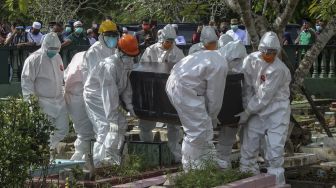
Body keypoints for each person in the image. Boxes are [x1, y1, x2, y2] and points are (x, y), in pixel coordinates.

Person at [166, 26, 228, 171]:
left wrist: (209, 116)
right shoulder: (220, 63)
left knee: (203, 127)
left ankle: (207, 161)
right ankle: (192, 169)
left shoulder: (204, 55)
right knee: (196, 131)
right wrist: (213, 115)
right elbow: (214, 95)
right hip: (184, 89)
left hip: (175, 84)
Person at [238, 31, 291, 185]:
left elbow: (264, 96)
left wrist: (247, 112)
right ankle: (248, 180)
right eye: (266, 52)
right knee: (249, 147)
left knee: (275, 153)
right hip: (256, 107)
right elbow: (247, 87)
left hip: (277, 109)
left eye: (273, 53)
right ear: (260, 49)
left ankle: (276, 183)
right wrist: (246, 107)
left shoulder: (278, 69)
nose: (269, 55)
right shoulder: (250, 60)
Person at [84, 34, 139, 166]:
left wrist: (130, 107)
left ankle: (113, 159)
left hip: (109, 96)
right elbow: (109, 94)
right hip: (96, 97)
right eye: (128, 55)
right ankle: (98, 162)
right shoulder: (109, 66)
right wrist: (112, 117)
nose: (130, 58)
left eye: (132, 56)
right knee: (107, 127)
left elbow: (126, 87)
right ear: (119, 51)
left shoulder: (126, 63)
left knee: (121, 125)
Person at [138, 24, 185, 162]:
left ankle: (174, 155)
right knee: (146, 123)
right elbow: (143, 70)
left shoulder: (178, 52)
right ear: (161, 39)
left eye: (172, 41)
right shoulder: (150, 50)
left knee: (174, 125)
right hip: (152, 92)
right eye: (167, 41)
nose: (169, 44)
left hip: (170, 94)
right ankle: (148, 154)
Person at [21, 33, 69, 159]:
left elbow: (60, 78)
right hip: (42, 102)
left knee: (63, 129)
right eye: (51, 49)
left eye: (56, 49)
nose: (53, 52)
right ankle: (47, 158)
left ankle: (50, 149)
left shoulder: (57, 57)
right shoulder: (33, 59)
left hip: (58, 100)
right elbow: (27, 83)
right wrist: (31, 104)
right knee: (45, 133)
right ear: (44, 46)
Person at [216, 40, 247, 169]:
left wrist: (249, 110)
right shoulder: (222, 65)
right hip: (231, 110)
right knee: (227, 138)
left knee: (251, 139)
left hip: (248, 109)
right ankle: (224, 166)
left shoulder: (246, 66)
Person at [64, 51, 95, 161]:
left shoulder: (79, 56)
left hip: (72, 97)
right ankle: (83, 159)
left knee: (83, 132)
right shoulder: (91, 57)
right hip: (81, 96)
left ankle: (80, 157)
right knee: (87, 132)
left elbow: (66, 75)